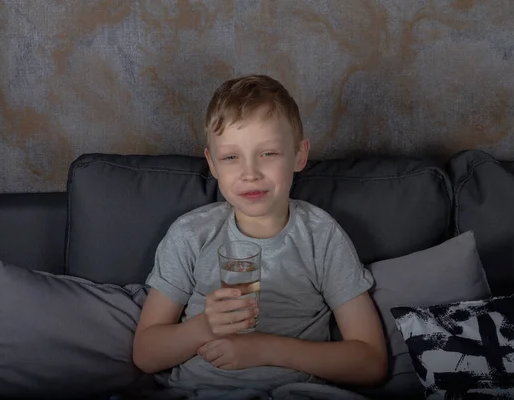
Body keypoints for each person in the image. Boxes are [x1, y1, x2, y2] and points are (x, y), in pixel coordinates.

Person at [132, 75, 388, 399]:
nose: (249, 172)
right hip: (203, 391)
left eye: (268, 153)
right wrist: (204, 327)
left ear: (299, 155)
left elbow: (370, 362)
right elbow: (146, 354)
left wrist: (265, 349)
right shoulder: (190, 235)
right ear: (212, 163)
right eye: (230, 157)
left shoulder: (322, 236)